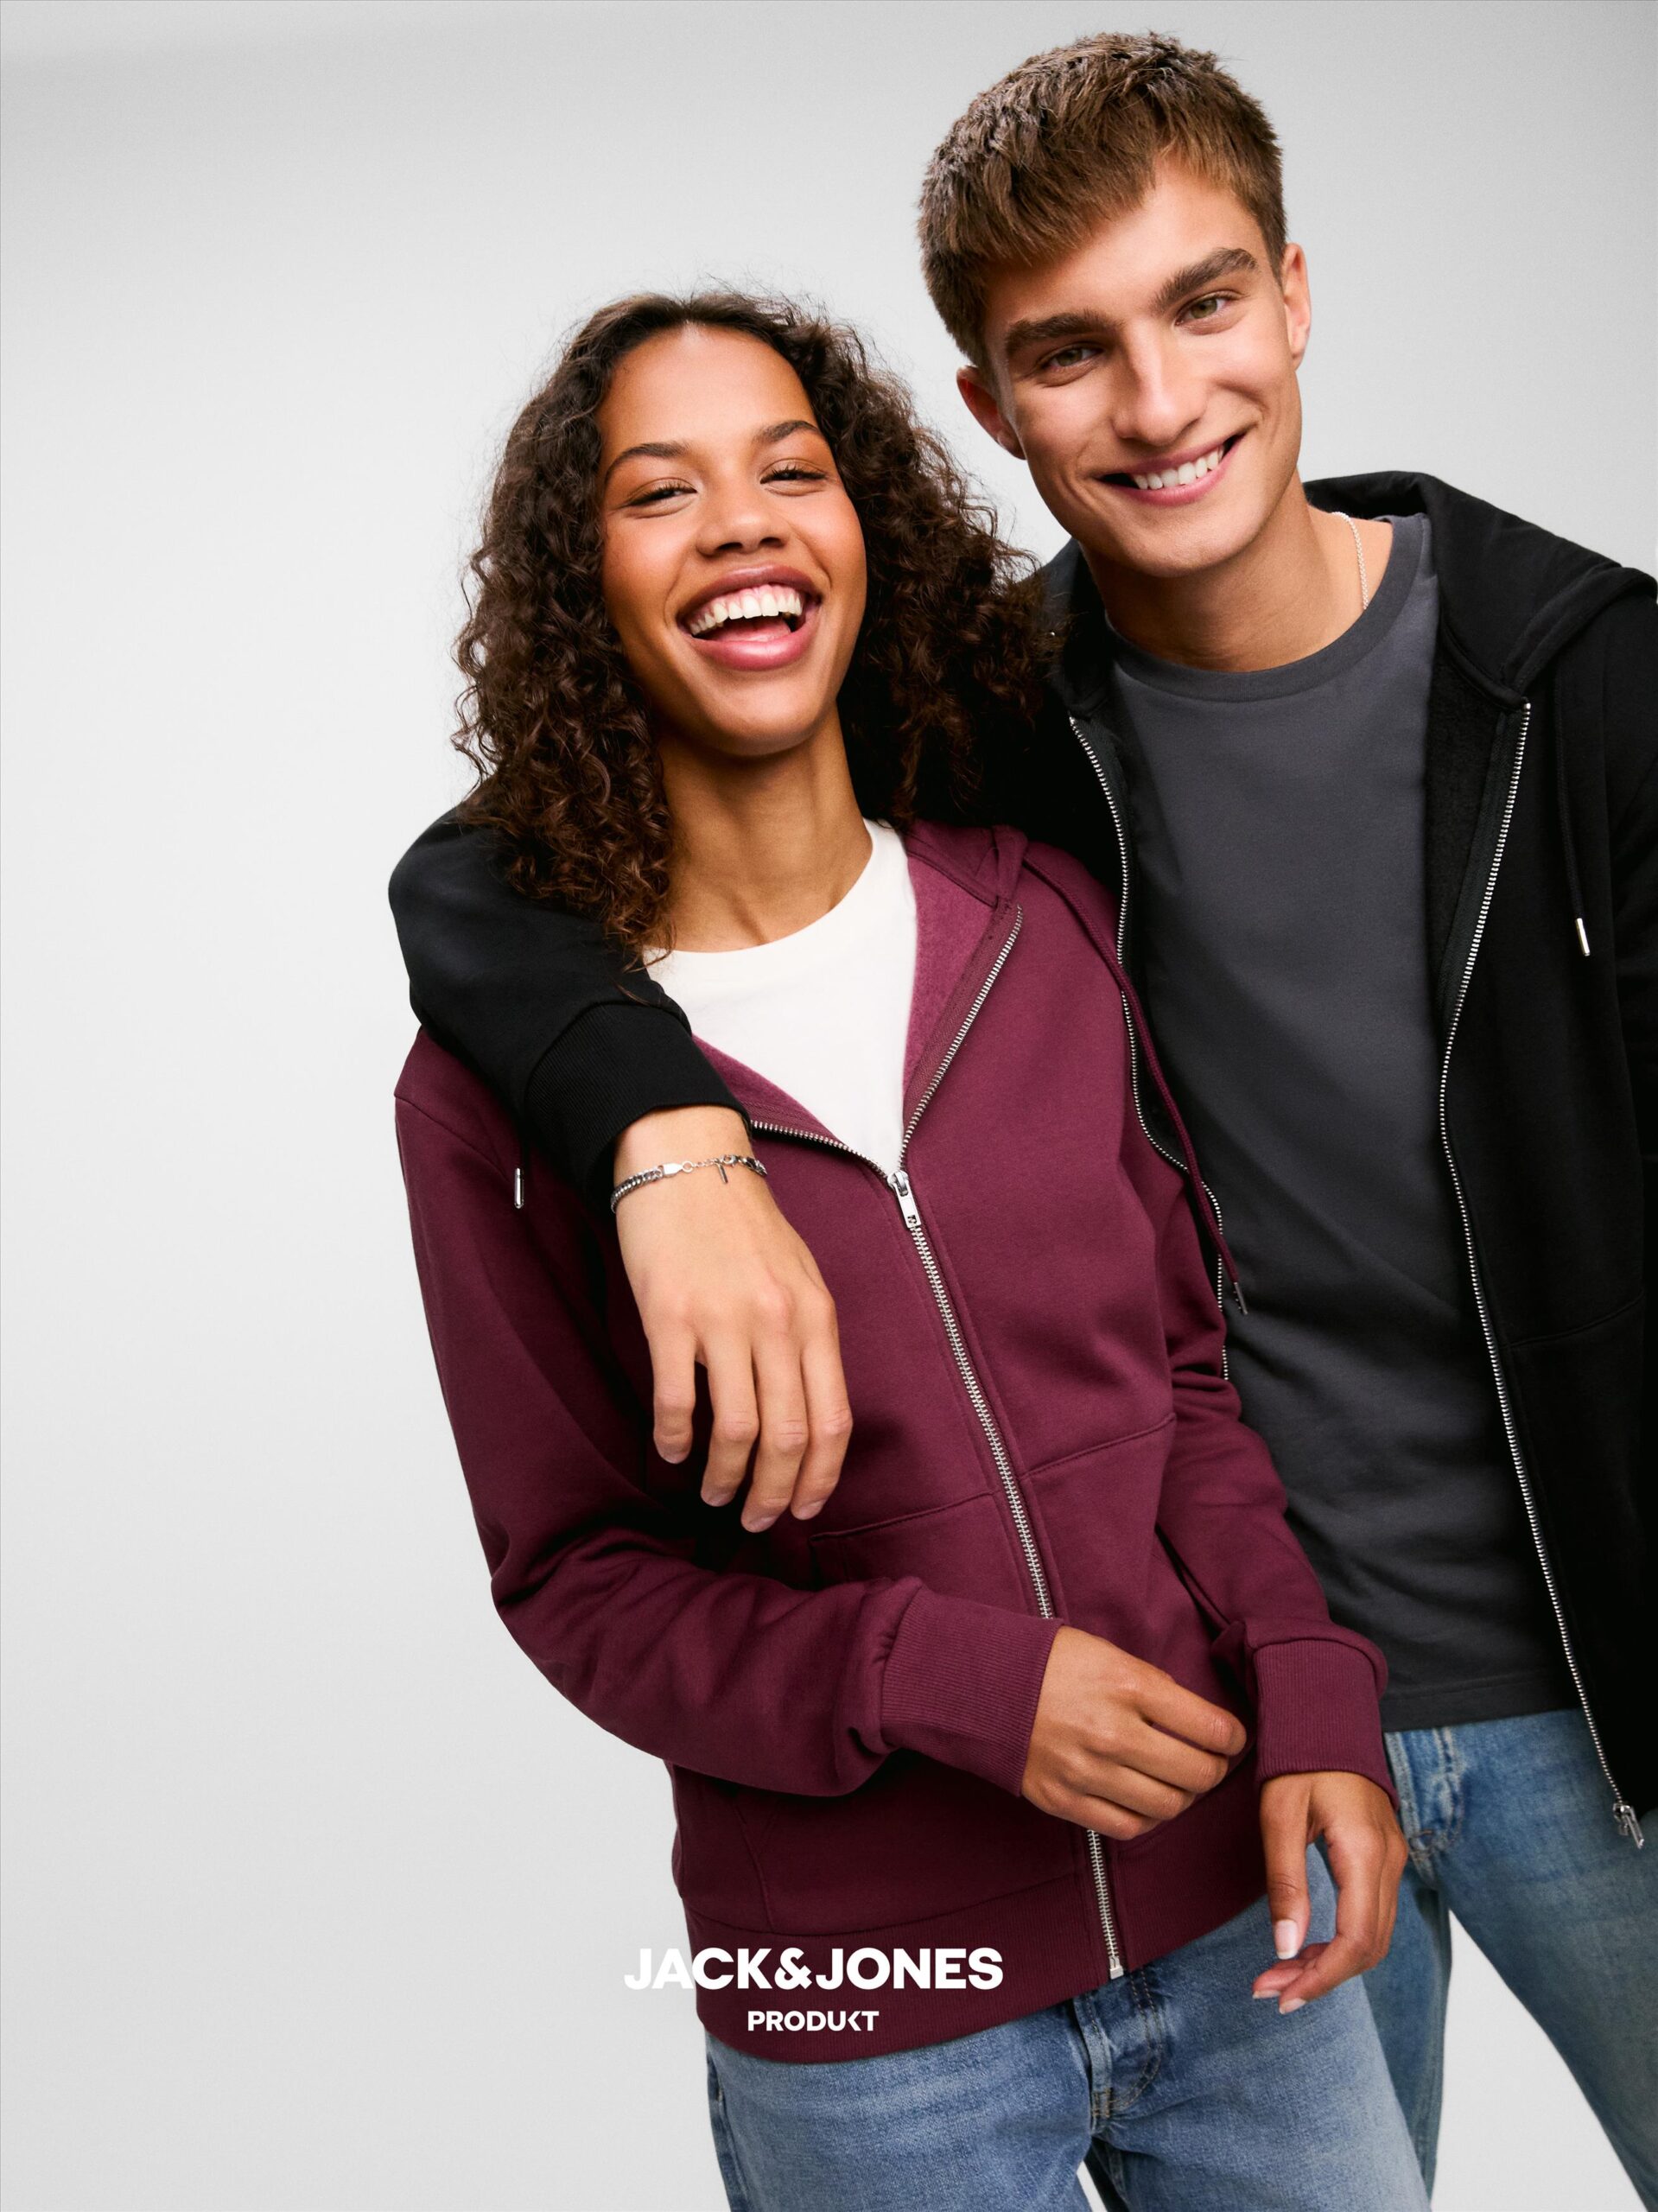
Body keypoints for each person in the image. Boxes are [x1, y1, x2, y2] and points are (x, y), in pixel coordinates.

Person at [390, 33, 1658, 2201]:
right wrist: (663, 1128)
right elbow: (507, 865)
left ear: (1295, 293)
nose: (1159, 404)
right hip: (1231, 1748)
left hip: (1594, 1693)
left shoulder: (1587, 690)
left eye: (1205, 303)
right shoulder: (1001, 733)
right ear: (988, 406)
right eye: (1072, 351)